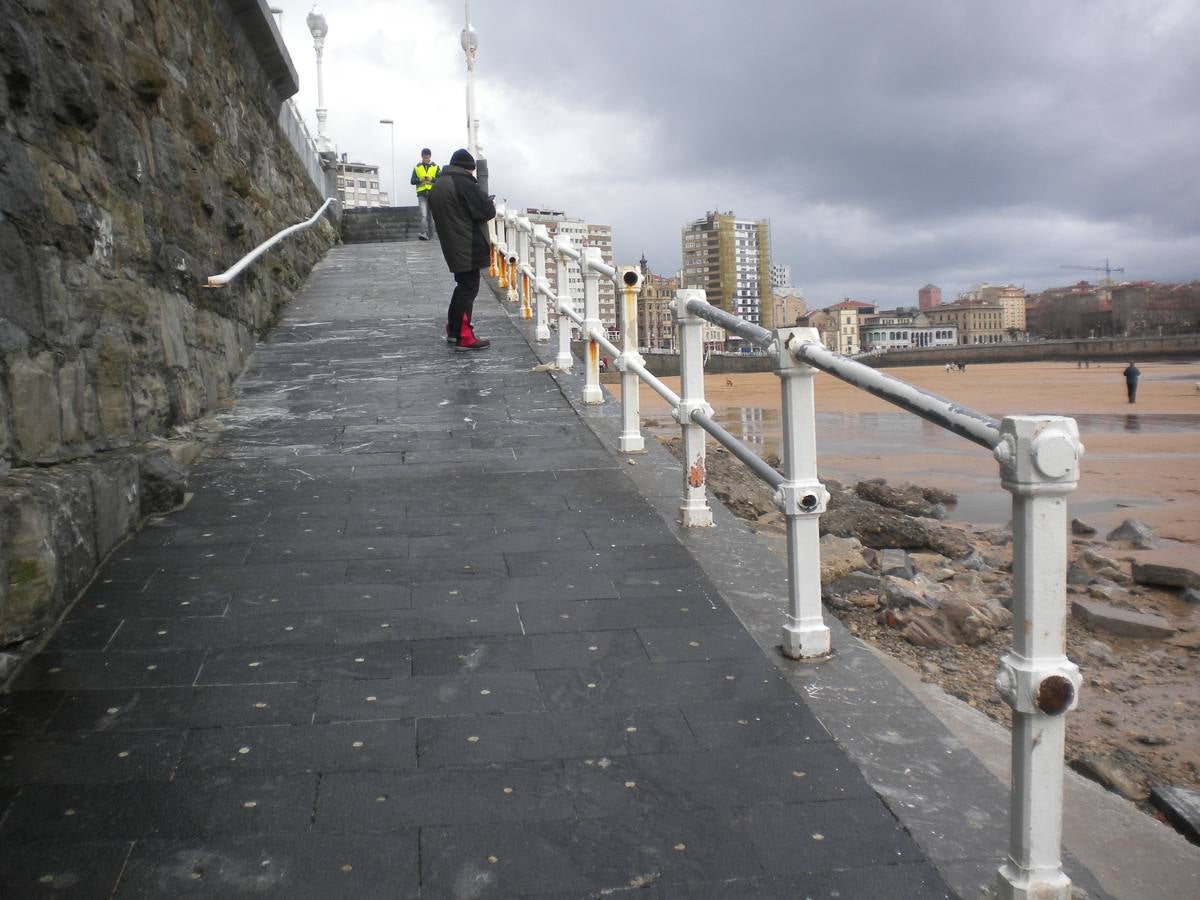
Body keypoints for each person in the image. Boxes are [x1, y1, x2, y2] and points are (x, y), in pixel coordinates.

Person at [427, 148, 496, 351]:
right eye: (472, 171)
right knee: (468, 289)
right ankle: (464, 337)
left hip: (452, 244)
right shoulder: (464, 183)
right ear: (468, 169)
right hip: (467, 244)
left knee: (462, 286)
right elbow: (486, 212)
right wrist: (488, 202)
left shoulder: (439, 184)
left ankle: (453, 330)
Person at [410, 148, 439, 240]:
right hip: (422, 194)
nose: (426, 159)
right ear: (422, 157)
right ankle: (424, 233)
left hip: (433, 194)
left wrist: (432, 179)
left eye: (427, 157)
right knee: (424, 215)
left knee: (432, 217)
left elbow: (441, 179)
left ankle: (432, 235)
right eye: (424, 157)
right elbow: (412, 181)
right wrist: (420, 179)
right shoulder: (417, 167)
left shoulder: (436, 167)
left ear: (430, 156)